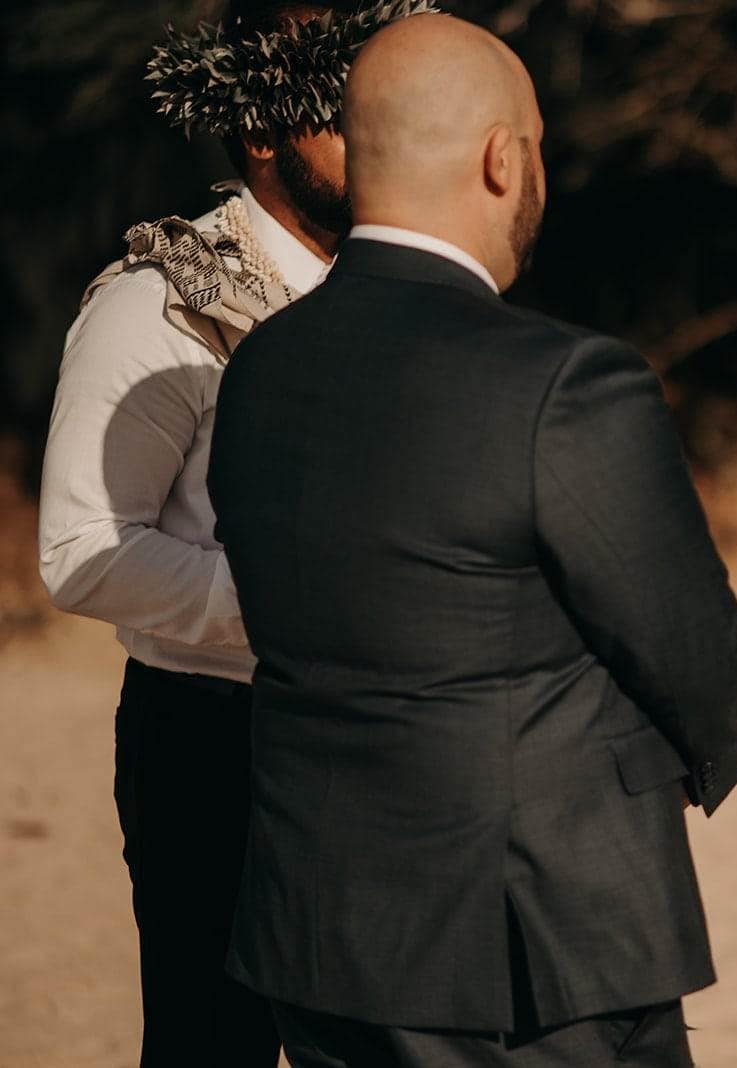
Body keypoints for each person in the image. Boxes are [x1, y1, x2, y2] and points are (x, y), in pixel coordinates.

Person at [206, 14, 737, 1067]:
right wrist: (698, 753)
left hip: (316, 934)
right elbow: (690, 644)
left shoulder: (261, 369)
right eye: (537, 145)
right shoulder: (561, 383)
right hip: (527, 948)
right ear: (504, 158)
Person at [35, 2, 429, 1063]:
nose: (389, 149)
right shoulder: (158, 305)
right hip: (218, 744)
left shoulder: (408, 291)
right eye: (351, 122)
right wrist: (298, 612)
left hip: (388, 739)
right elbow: (80, 551)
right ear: (263, 135)